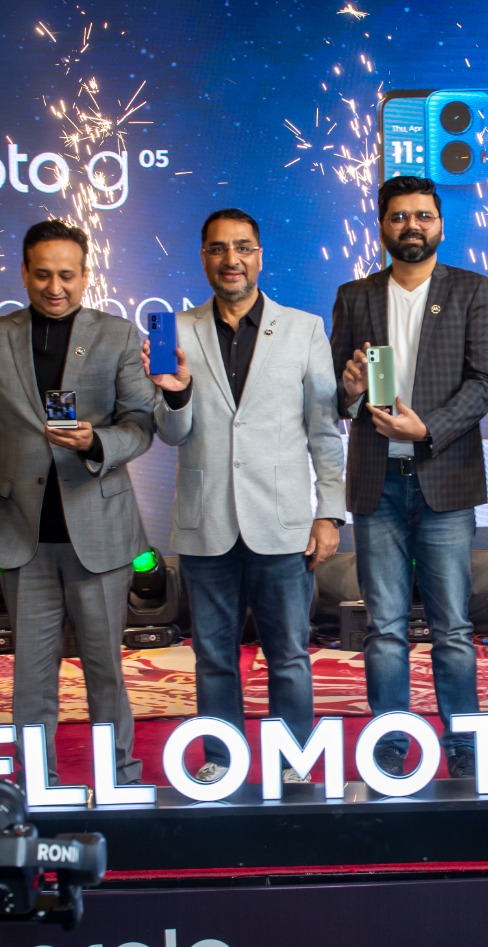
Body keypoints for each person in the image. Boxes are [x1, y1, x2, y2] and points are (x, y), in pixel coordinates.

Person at [0, 219, 155, 785]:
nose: (54, 287)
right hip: (21, 535)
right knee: (31, 678)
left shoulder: (117, 335)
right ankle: (37, 785)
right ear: (23, 273)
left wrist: (96, 442)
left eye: (66, 275)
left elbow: (141, 424)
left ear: (86, 275)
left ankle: (120, 778)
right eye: (42, 275)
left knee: (105, 671)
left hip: (100, 530)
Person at [145, 209, 345, 783]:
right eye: (217, 249)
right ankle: (221, 761)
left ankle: (294, 762)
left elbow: (323, 430)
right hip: (205, 521)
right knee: (212, 657)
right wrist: (176, 396)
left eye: (242, 247)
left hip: (282, 522)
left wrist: (330, 512)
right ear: (203, 257)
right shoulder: (169, 330)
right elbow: (169, 433)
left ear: (259, 255)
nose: (230, 259)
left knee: (289, 655)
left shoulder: (304, 328)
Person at [330, 176, 488, 779]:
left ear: (441, 225)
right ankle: (390, 747)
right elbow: (336, 392)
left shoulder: (471, 290)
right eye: (399, 216)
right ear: (381, 226)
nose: (412, 226)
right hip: (376, 483)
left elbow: (486, 380)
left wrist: (428, 428)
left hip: (444, 478)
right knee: (384, 629)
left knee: (453, 627)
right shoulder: (354, 296)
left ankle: (465, 749)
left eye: (423, 216)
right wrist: (350, 391)